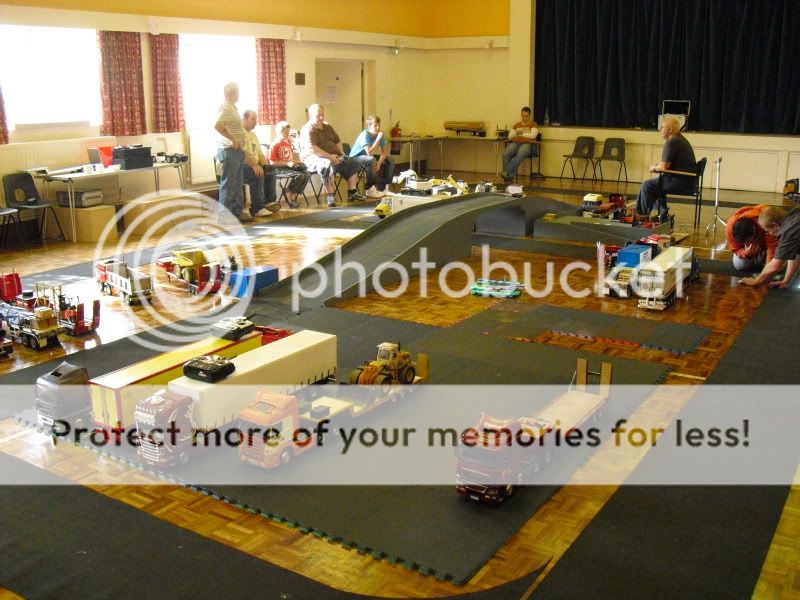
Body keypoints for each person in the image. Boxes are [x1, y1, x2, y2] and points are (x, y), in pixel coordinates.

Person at [299, 104, 369, 207]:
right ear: (310, 115)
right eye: (318, 115)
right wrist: (331, 157)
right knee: (327, 164)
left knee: (352, 161)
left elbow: (337, 141)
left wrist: (341, 154)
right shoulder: (307, 129)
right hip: (315, 158)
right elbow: (313, 149)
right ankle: (330, 195)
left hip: (334, 156)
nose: (321, 118)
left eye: (322, 114)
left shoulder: (328, 127)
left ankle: (352, 191)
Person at [635, 116, 696, 223]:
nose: (660, 130)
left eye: (662, 127)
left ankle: (641, 217)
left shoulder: (672, 142)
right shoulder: (679, 139)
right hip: (687, 181)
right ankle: (662, 214)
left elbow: (663, 167)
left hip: (680, 182)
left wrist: (654, 167)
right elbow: (667, 164)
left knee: (647, 185)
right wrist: (659, 166)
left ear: (670, 130)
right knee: (657, 183)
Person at [214, 82, 251, 222]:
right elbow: (217, 126)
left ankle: (236, 212)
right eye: (237, 92)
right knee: (229, 184)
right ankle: (224, 217)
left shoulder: (232, 108)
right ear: (231, 93)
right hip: (229, 150)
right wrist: (232, 139)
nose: (238, 95)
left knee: (237, 183)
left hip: (238, 150)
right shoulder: (226, 107)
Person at [739, 206, 800, 288]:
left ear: (774, 226)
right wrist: (786, 280)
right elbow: (796, 253)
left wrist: (755, 281)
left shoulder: (788, 232)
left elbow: (775, 266)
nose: (768, 234)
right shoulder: (792, 217)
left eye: (767, 231)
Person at [242, 110, 281, 217]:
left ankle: (269, 202)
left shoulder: (253, 135)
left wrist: (265, 165)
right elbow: (243, 155)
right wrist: (256, 166)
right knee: (257, 173)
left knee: (270, 170)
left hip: (254, 164)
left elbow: (259, 154)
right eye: (253, 119)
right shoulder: (239, 133)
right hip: (243, 166)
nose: (255, 121)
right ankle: (257, 208)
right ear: (244, 119)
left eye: (256, 119)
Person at [350, 115, 394, 198]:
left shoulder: (379, 134)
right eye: (375, 125)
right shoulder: (365, 135)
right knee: (371, 159)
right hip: (355, 159)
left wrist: (380, 162)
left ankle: (384, 188)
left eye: (379, 125)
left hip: (368, 158)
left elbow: (385, 151)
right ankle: (369, 189)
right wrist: (378, 139)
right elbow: (369, 153)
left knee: (390, 160)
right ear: (369, 126)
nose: (378, 128)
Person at [270, 120, 310, 209]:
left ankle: (291, 194)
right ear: (280, 132)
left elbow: (289, 159)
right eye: (286, 133)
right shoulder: (275, 144)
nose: (288, 135)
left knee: (307, 174)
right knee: (299, 175)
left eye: (288, 133)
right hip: (279, 169)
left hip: (288, 167)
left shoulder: (287, 142)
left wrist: (297, 162)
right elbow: (272, 163)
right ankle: (290, 197)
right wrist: (287, 163)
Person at [725, 204, 778, 271]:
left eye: (749, 241)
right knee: (739, 265)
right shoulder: (729, 230)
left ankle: (762, 258)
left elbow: (772, 246)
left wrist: (766, 272)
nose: (749, 244)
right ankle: (759, 259)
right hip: (750, 250)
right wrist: (746, 253)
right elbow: (735, 249)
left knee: (776, 267)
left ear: (754, 229)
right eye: (745, 242)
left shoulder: (766, 220)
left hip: (769, 245)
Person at [502, 106, 539, 183]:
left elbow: (533, 136)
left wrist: (520, 133)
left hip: (527, 144)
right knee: (506, 153)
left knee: (520, 154)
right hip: (515, 142)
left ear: (529, 116)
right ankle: (509, 176)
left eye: (526, 116)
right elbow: (509, 137)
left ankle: (506, 173)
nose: (524, 118)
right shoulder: (516, 125)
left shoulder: (533, 124)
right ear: (521, 115)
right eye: (523, 116)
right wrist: (516, 133)